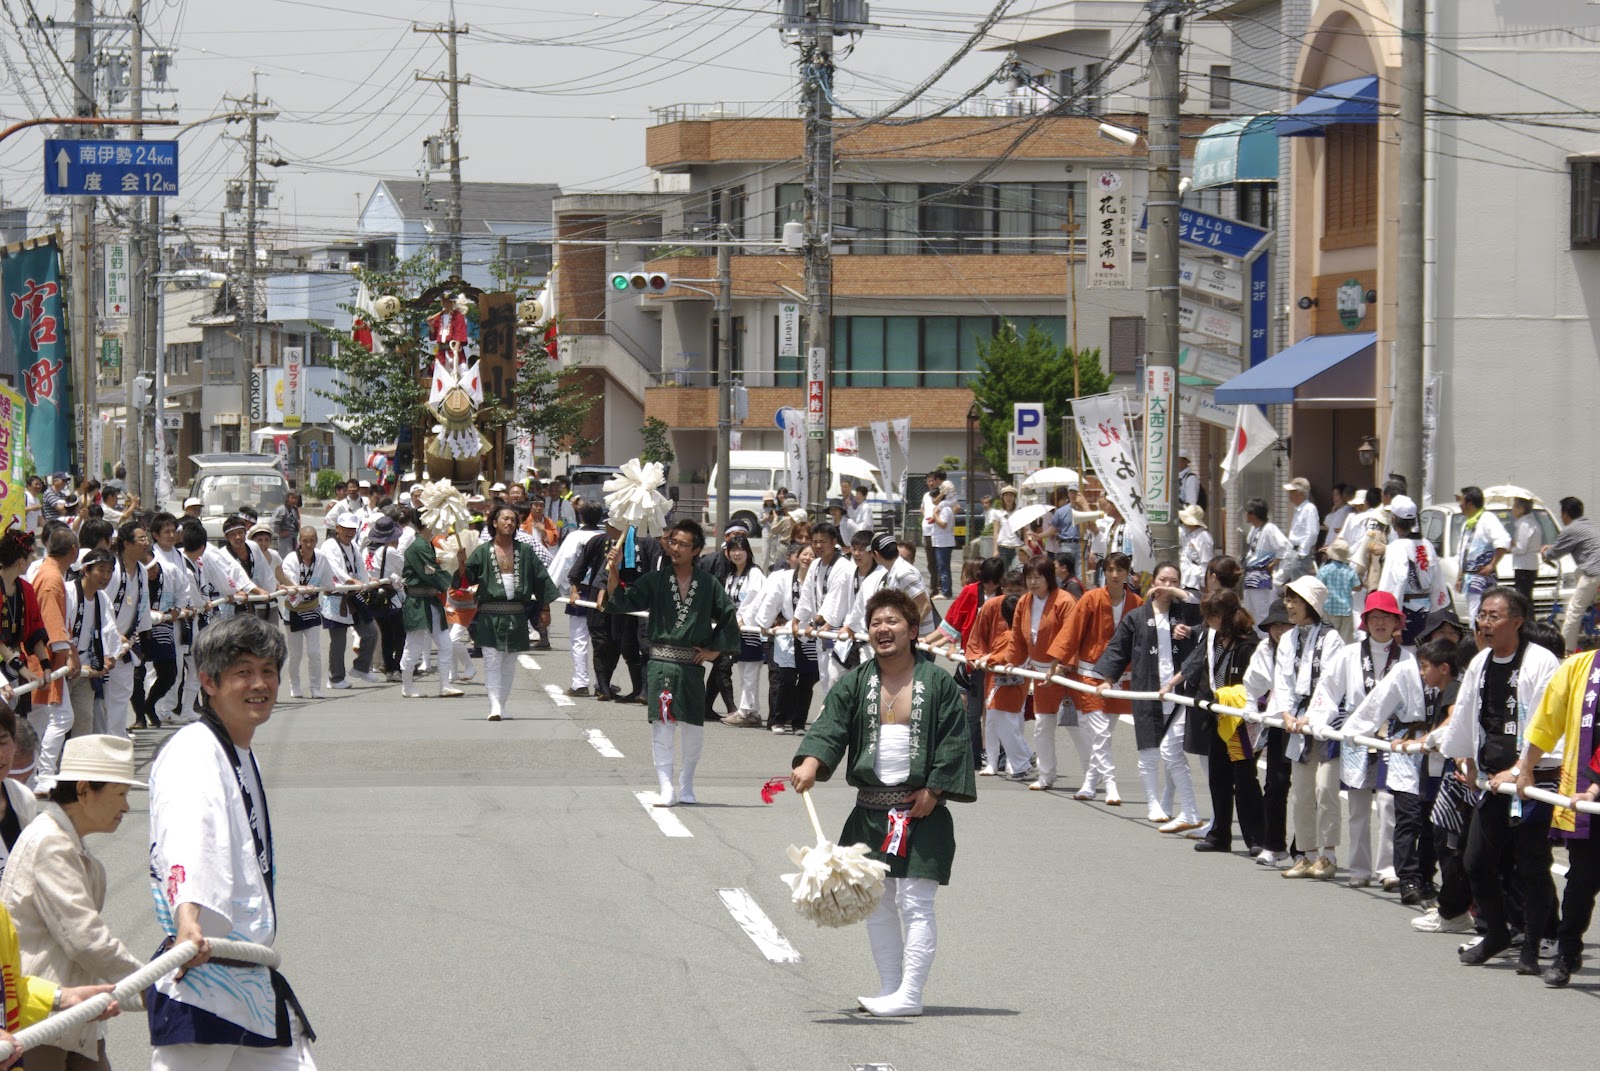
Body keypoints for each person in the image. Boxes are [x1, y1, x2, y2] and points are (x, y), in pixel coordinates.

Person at [790, 588, 976, 1018]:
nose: (882, 629)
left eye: (892, 622)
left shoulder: (938, 683)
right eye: (875, 623)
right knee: (879, 904)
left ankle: (911, 994)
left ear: (913, 631)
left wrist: (934, 789)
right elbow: (832, 724)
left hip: (920, 813)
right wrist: (812, 762)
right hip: (870, 812)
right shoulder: (857, 681)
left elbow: (953, 739)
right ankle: (891, 987)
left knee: (915, 903)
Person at [146, 614, 316, 1067]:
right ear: (208, 681)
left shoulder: (237, 750)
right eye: (242, 672)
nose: (258, 683)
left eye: (267, 671)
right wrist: (188, 918)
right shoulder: (193, 752)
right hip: (205, 980)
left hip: (250, 981)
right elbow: (187, 838)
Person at [1, 735, 144, 1070]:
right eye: (119, 794)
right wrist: (155, 989)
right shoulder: (51, 843)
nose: (125, 806)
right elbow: (87, 941)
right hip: (42, 1022)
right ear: (83, 791)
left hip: (73, 1012)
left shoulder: (65, 841)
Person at [1435, 586, 1560, 971]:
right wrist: (1468, 757)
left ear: (1518, 622)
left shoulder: (1541, 662)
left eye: (1494, 616)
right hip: (1493, 780)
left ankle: (1533, 945)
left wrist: (1522, 767)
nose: (1484, 624)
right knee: (1477, 861)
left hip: (1534, 781)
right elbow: (1469, 712)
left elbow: (1547, 721)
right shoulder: (1482, 661)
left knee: (1531, 864)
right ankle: (1497, 934)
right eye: (1482, 616)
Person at [604, 519, 740, 805]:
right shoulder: (655, 580)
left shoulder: (708, 584)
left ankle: (686, 784)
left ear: (697, 550)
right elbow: (623, 601)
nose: (675, 548)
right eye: (672, 542)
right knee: (662, 726)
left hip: (691, 666)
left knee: (693, 730)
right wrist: (614, 572)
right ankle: (665, 786)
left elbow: (728, 614)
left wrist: (715, 650)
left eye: (682, 544)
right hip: (661, 664)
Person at [1306, 590, 1412, 888]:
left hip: (1392, 736)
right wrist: (1319, 722)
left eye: (1386, 617)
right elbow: (1327, 690)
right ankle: (1360, 868)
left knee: (1390, 804)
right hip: (1356, 736)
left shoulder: (1407, 659)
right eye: (1374, 617)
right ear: (1365, 622)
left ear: (1396, 622)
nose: (1380, 622)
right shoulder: (1349, 655)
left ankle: (1388, 868)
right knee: (1358, 807)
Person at [1090, 562, 1202, 830]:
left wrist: (1179, 601)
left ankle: (1173, 804)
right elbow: (1118, 650)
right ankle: (1153, 803)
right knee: (1149, 752)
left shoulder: (1185, 613)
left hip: (1180, 693)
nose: (1167, 586)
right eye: (1162, 580)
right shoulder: (1137, 617)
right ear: (1153, 582)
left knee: (1174, 753)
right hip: (1148, 689)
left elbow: (1199, 608)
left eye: (1173, 581)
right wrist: (1107, 680)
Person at [1520, 633, 1600, 986]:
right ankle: (1568, 952)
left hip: (1594, 785)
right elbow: (1546, 721)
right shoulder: (1579, 666)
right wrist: (1525, 766)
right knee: (1581, 882)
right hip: (1586, 794)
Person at [1173, 589, 1263, 855]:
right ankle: (1219, 833)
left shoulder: (1248, 643)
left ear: (1225, 616)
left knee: (1244, 779)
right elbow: (1204, 672)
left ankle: (1256, 838)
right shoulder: (1214, 638)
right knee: (1218, 777)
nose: (1209, 622)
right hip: (1217, 716)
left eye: (1212, 616)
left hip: (1240, 722)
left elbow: (1253, 686)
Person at [1048, 552, 1141, 805]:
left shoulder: (1137, 603)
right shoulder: (1091, 598)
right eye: (1110, 570)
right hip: (1090, 674)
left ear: (1127, 573)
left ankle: (1090, 782)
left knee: (1105, 733)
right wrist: (1056, 662)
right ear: (1104, 572)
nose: (1114, 575)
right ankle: (1111, 785)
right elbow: (1071, 631)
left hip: (1122, 677)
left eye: (1120, 570)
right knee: (1099, 732)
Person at [1272, 575, 1346, 879]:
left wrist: (1311, 717)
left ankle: (1328, 854)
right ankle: (1305, 853)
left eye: (1295, 600)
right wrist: (1287, 713)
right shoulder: (1288, 638)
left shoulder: (1332, 639)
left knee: (1325, 788)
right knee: (1301, 791)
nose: (1288, 605)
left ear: (1311, 604)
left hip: (1326, 720)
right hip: (1297, 721)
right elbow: (1283, 679)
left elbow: (1331, 685)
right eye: (1288, 598)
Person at [984, 557, 1076, 790]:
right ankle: (1045, 774)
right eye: (1030, 577)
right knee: (1042, 726)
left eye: (1039, 577)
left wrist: (1059, 662)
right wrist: (1009, 660)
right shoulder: (1025, 602)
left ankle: (1094, 776)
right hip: (1038, 672)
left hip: (1064, 671)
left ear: (1049, 578)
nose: (1033, 582)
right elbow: (1017, 638)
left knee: (1079, 729)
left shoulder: (1064, 600)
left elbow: (1069, 634)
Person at [464, 504, 559, 722]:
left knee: (509, 662)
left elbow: (541, 580)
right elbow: (465, 579)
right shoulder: (482, 551)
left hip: (517, 614)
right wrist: (460, 565)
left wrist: (545, 608)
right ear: (494, 523)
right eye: (504, 519)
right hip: (489, 614)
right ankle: (495, 705)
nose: (509, 523)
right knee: (491, 660)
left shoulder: (525, 551)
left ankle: (502, 705)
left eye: (512, 520)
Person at [755, 543, 820, 735]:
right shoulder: (784, 578)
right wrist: (764, 623)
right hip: (787, 634)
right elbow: (773, 599)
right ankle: (778, 719)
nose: (808, 558)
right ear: (796, 557)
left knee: (807, 680)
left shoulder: (819, 579)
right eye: (804, 554)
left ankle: (799, 723)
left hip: (810, 634)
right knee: (786, 678)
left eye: (812, 555)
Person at [28, 528, 75, 789]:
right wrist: (64, 651)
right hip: (44, 657)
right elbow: (50, 620)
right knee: (40, 719)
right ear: (73, 551)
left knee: (53, 717)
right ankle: (40, 775)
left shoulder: (50, 572)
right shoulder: (50, 578)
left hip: (50, 656)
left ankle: (41, 773)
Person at [709, 533, 766, 727]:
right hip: (736, 629)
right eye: (733, 549)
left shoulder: (755, 573)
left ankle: (745, 711)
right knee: (744, 671)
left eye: (741, 549)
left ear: (748, 552)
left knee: (750, 671)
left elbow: (757, 600)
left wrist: (743, 619)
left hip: (749, 629)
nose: (737, 553)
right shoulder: (732, 576)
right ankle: (752, 711)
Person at [105, 522, 153, 738]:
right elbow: (102, 607)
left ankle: (117, 734)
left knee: (123, 692)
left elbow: (142, 605)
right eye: (141, 539)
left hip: (127, 641)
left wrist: (141, 633)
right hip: (107, 641)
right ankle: (108, 736)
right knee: (105, 696)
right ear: (126, 543)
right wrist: (115, 635)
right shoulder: (112, 569)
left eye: (146, 538)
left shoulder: (142, 571)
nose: (147, 543)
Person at [552, 503, 606, 698]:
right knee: (603, 640)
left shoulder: (575, 537)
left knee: (579, 639)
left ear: (581, 517)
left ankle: (580, 682)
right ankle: (604, 682)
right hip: (602, 591)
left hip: (580, 591)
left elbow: (563, 562)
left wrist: (549, 587)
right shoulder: (606, 536)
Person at [319, 514, 377, 690]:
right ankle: (335, 678)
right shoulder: (329, 545)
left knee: (371, 632)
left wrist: (366, 580)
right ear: (337, 528)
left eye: (352, 529)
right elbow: (336, 569)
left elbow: (360, 567)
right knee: (339, 641)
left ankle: (361, 667)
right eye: (345, 528)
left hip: (353, 595)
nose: (349, 532)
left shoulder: (353, 546)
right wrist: (352, 581)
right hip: (336, 597)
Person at [278, 527, 331, 701]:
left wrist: (335, 587)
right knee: (296, 653)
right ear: (299, 541)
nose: (308, 544)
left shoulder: (321, 557)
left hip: (313, 608)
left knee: (315, 652)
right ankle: (295, 685)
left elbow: (328, 580)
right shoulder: (291, 559)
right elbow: (290, 584)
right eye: (305, 541)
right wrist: (302, 588)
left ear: (317, 541)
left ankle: (315, 687)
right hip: (294, 610)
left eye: (312, 540)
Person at [1543, 496, 1600, 654]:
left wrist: (1545, 552)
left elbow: (1553, 553)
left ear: (1565, 513)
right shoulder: (1588, 525)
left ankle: (1565, 650)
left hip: (1593, 573)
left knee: (1574, 611)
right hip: (1595, 571)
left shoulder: (1570, 529)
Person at [361, 516, 406, 683]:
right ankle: (397, 667)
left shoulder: (372, 551)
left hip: (374, 596)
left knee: (386, 634)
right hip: (390, 596)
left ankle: (389, 668)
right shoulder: (391, 551)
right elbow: (403, 569)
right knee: (400, 633)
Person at [1455, 485, 1510, 621]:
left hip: (1481, 578)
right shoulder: (1468, 524)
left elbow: (1503, 541)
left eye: (1462, 501)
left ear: (1470, 503)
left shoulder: (1487, 519)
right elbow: (1463, 555)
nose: (1460, 505)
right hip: (1469, 578)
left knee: (1478, 616)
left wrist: (1492, 564)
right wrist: (1459, 577)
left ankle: (1478, 641)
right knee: (1474, 614)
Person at [1241, 498, 1288, 625]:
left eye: (1248, 512)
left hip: (1261, 576)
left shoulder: (1270, 528)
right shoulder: (1255, 529)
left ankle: (1266, 640)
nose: (1246, 515)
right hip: (1250, 575)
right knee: (1250, 613)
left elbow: (1285, 547)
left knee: (1262, 612)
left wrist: (1273, 564)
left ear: (1253, 514)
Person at [1317, 540, 1361, 643]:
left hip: (1329, 608)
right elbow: (1357, 587)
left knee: (1329, 636)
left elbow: (1318, 585)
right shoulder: (1350, 571)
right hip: (1345, 608)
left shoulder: (1324, 570)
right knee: (1345, 639)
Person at [1508, 496, 1542, 602]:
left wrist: (1510, 548)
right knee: (1526, 597)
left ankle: (1527, 618)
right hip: (1530, 565)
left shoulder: (1524, 525)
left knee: (1523, 598)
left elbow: (1521, 548)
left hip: (1523, 566)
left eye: (1514, 506)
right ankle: (1529, 618)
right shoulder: (1533, 522)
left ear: (1521, 509)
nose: (1512, 509)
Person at [918, 470, 945, 597]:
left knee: (940, 561)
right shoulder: (926, 495)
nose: (930, 483)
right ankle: (933, 587)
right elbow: (922, 507)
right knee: (930, 562)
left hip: (938, 532)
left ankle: (940, 587)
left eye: (933, 480)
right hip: (927, 531)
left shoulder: (942, 495)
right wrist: (925, 516)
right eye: (928, 481)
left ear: (937, 481)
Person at [929, 481, 957, 601]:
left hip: (944, 542)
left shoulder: (945, 508)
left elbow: (943, 524)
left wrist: (935, 515)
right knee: (942, 567)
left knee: (944, 567)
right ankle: (945, 590)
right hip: (940, 541)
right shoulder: (943, 508)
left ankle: (946, 592)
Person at [1177, 504, 1212, 594]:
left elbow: (1206, 562)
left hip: (1195, 579)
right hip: (1185, 576)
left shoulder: (1203, 537)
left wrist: (1204, 583)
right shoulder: (1188, 534)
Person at [989, 486, 1023, 569]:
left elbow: (1024, 530)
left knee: (1018, 572)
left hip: (1017, 547)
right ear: (1002, 497)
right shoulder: (997, 513)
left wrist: (1026, 546)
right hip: (1003, 547)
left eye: (1011, 495)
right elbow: (996, 532)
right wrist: (995, 550)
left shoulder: (1020, 512)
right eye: (1006, 495)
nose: (1008, 498)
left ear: (1015, 497)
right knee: (1003, 574)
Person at [268, 492, 301, 559]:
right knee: (285, 558)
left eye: (296, 498)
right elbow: (273, 523)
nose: (294, 500)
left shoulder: (294, 509)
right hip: (285, 540)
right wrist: (279, 533)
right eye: (292, 498)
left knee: (294, 558)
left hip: (293, 538)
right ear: (287, 498)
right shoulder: (281, 509)